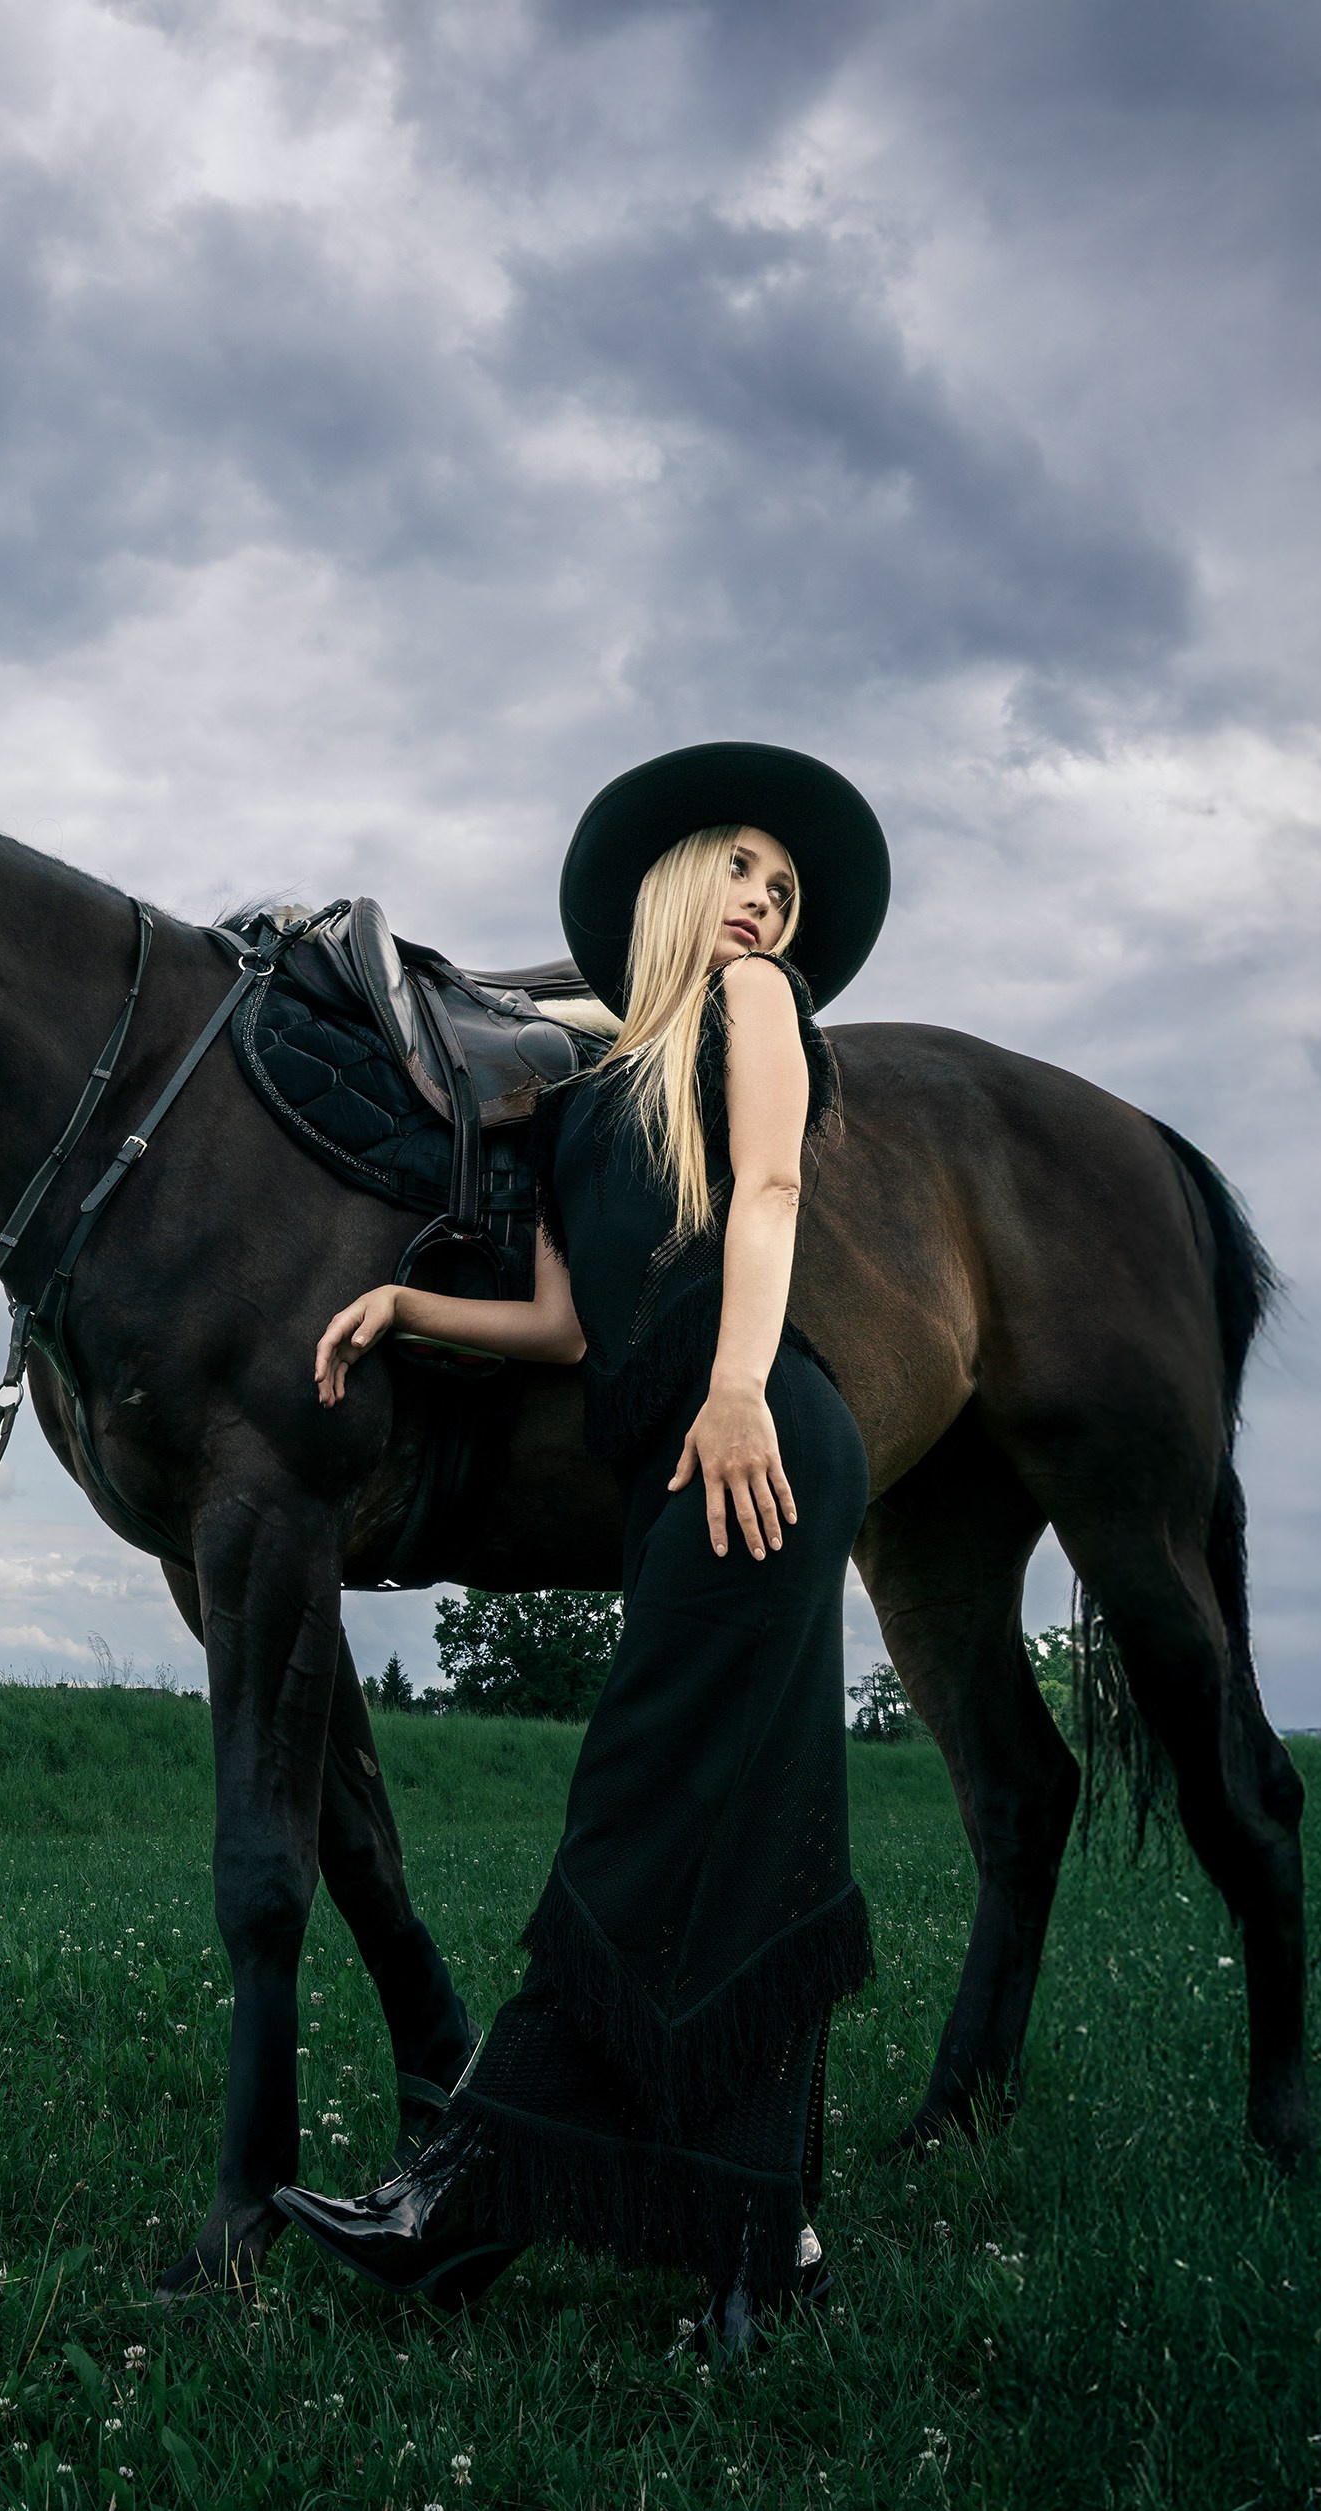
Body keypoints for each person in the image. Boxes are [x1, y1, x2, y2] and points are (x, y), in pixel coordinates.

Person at [274, 741, 889, 2358]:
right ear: (675, 879)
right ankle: (773, 2246)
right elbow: (560, 1320)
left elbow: (764, 1192)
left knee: (641, 1801)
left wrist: (746, 1388)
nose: (765, 899)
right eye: (744, 868)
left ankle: (468, 2190)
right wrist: (410, 1303)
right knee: (745, 1823)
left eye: (786, 885)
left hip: (755, 1438)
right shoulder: (583, 1094)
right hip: (675, 1464)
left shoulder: (760, 1011)